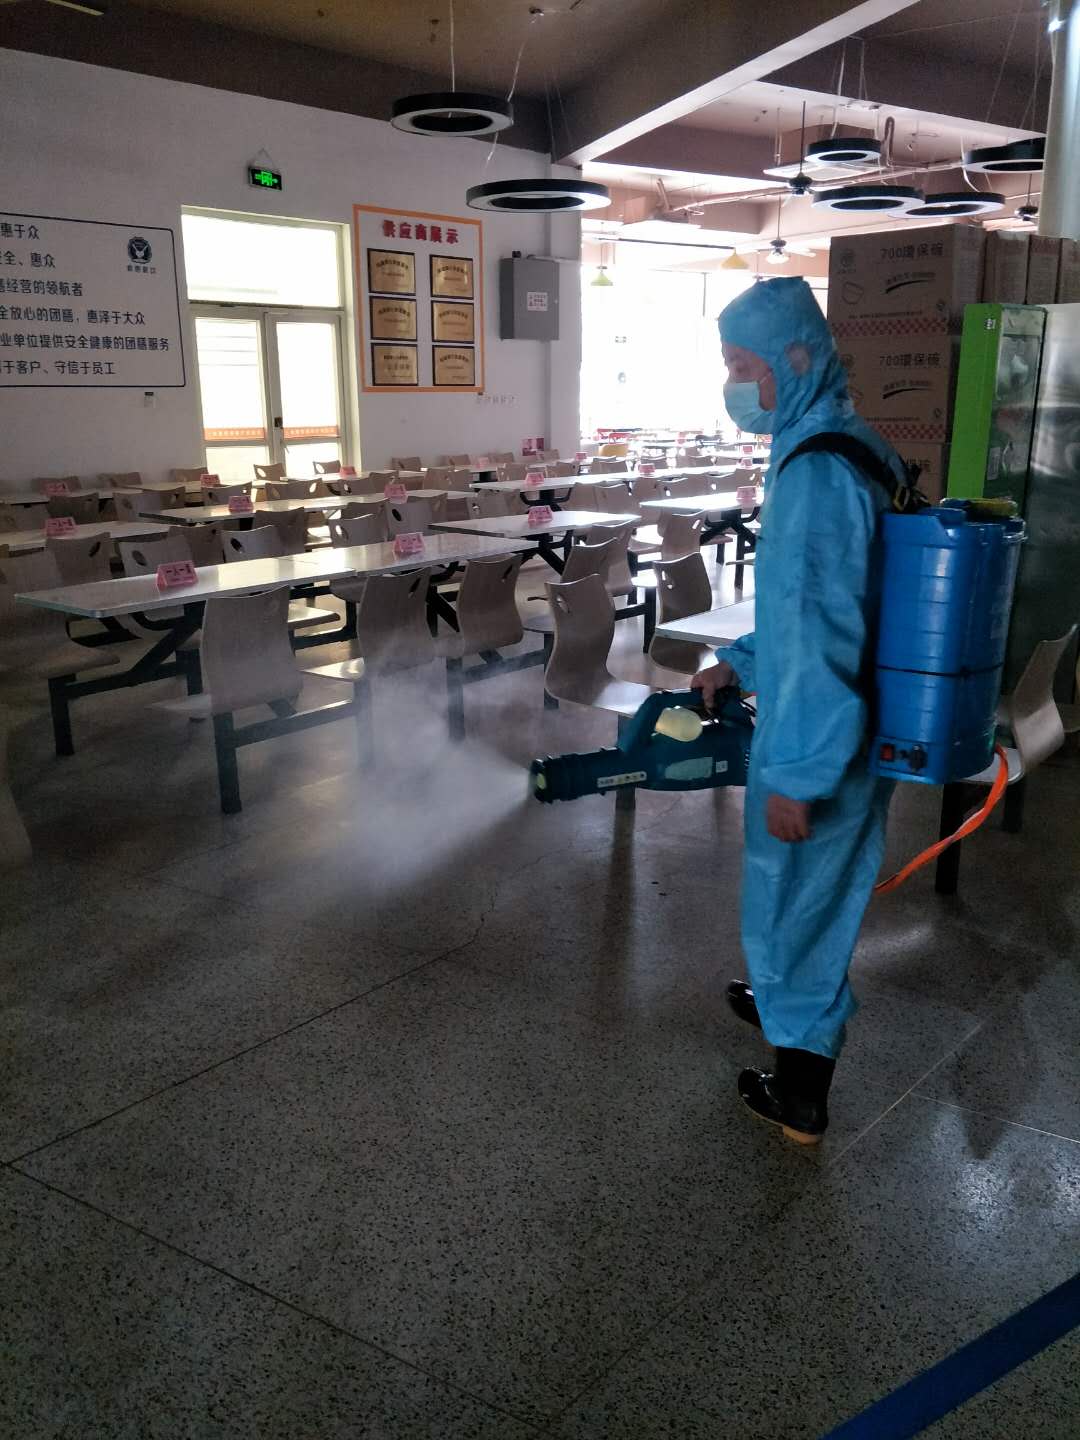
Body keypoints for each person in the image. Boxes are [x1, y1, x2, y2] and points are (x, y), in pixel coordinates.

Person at [691, 276, 899, 1145]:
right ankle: (780, 998)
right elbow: (808, 603)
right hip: (846, 714)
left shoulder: (815, 473)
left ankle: (801, 1092)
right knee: (800, 895)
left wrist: (801, 776)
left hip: (823, 735)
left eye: (745, 367)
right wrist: (739, 661)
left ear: (797, 360)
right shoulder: (846, 443)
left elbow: (819, 631)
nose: (735, 385)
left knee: (802, 902)